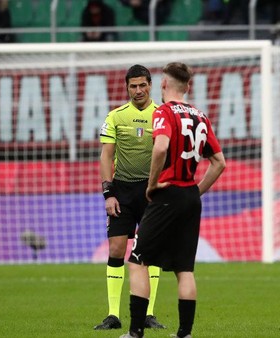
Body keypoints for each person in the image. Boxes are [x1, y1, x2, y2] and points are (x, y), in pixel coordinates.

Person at [120, 62, 226, 338]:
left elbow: (161, 146)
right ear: (188, 86)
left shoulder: (164, 112)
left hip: (167, 194)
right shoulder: (201, 116)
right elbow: (219, 163)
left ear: (163, 85)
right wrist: (196, 191)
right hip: (190, 196)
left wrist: (153, 183)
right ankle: (184, 333)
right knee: (184, 269)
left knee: (137, 260)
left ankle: (134, 332)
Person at [96, 64, 166, 331]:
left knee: (150, 252)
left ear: (150, 85)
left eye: (143, 85)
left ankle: (149, 313)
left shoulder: (161, 115)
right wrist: (108, 192)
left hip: (151, 191)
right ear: (127, 88)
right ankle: (113, 315)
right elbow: (106, 155)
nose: (138, 90)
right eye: (133, 86)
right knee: (116, 248)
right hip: (122, 192)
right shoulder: (115, 116)